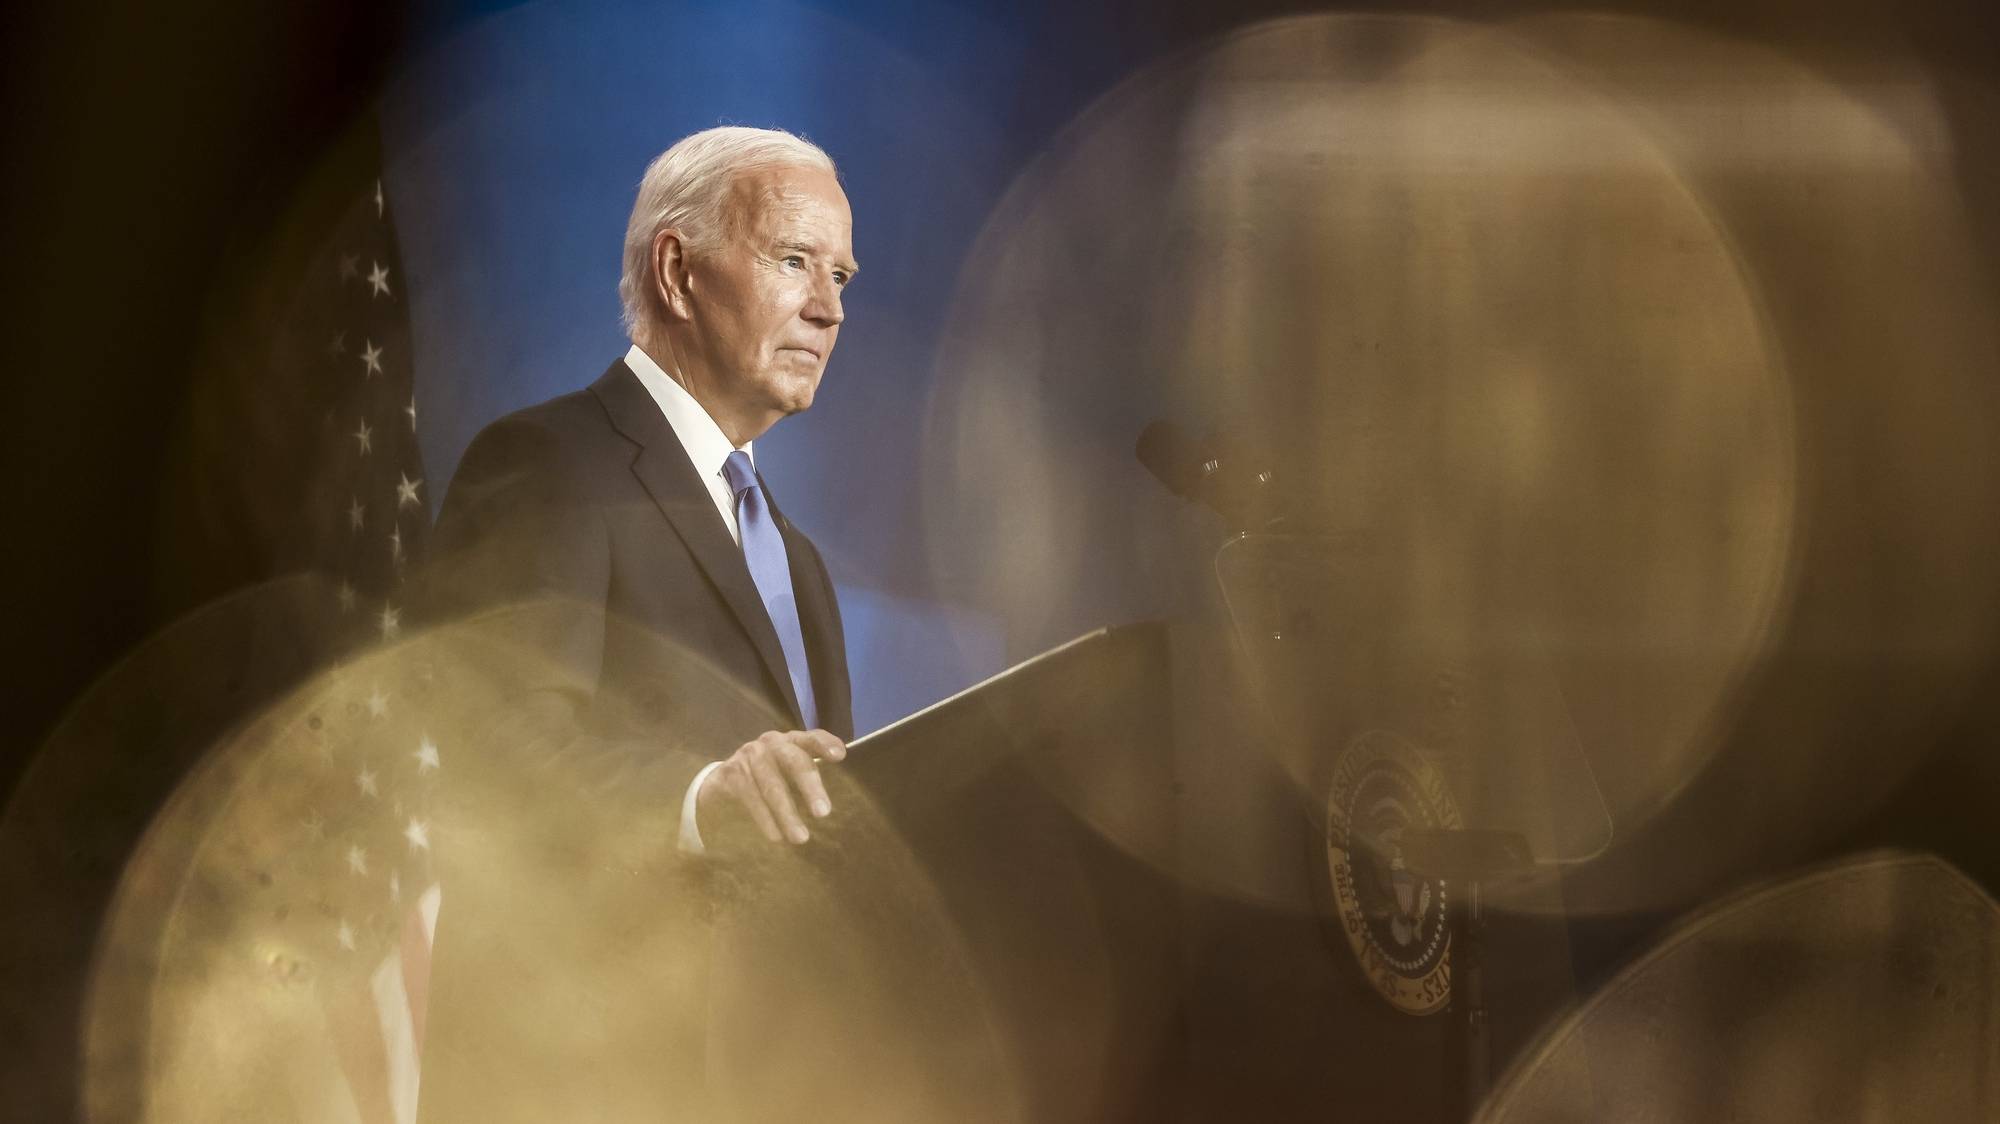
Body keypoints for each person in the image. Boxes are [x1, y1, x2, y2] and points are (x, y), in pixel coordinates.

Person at [415, 126, 861, 1122]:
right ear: (677, 270)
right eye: (794, 260)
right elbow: (484, 741)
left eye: (839, 273)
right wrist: (699, 799)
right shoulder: (544, 461)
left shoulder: (800, 563)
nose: (829, 308)